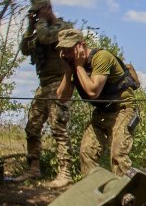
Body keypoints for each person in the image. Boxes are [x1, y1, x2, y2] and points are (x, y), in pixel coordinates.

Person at [56, 29, 138, 177]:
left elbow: (93, 92)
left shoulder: (101, 57)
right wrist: (68, 71)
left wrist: (79, 66)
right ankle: (95, 192)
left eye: (69, 49)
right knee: (86, 152)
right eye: (63, 50)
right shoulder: (73, 66)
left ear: (81, 45)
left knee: (118, 155)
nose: (66, 54)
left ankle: (126, 195)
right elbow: (62, 97)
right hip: (101, 113)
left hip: (123, 110)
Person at [16, 0, 73, 186]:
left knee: (58, 127)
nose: (37, 15)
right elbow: (24, 49)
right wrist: (29, 27)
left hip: (60, 82)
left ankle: (65, 173)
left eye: (39, 10)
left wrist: (40, 22)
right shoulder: (38, 30)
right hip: (44, 85)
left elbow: (46, 37)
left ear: (48, 8)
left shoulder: (62, 28)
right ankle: (33, 169)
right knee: (32, 126)